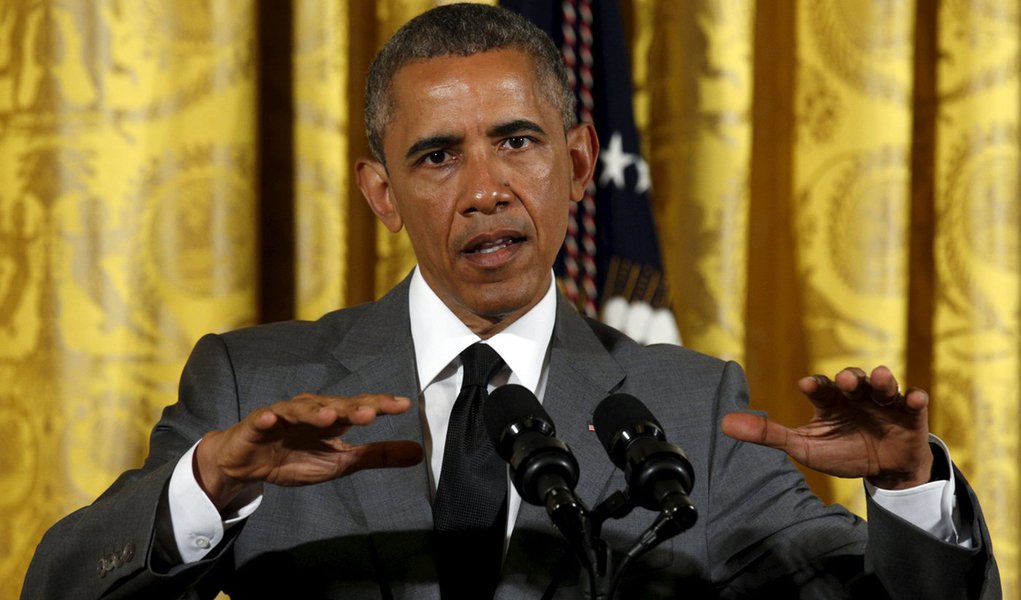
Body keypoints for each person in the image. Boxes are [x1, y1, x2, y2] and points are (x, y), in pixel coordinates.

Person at [23, 4, 997, 599]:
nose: (485, 187)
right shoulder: (254, 384)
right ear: (381, 195)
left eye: (518, 141)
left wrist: (907, 490)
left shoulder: (690, 406)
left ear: (577, 163)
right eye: (438, 155)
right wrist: (207, 490)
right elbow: (60, 585)